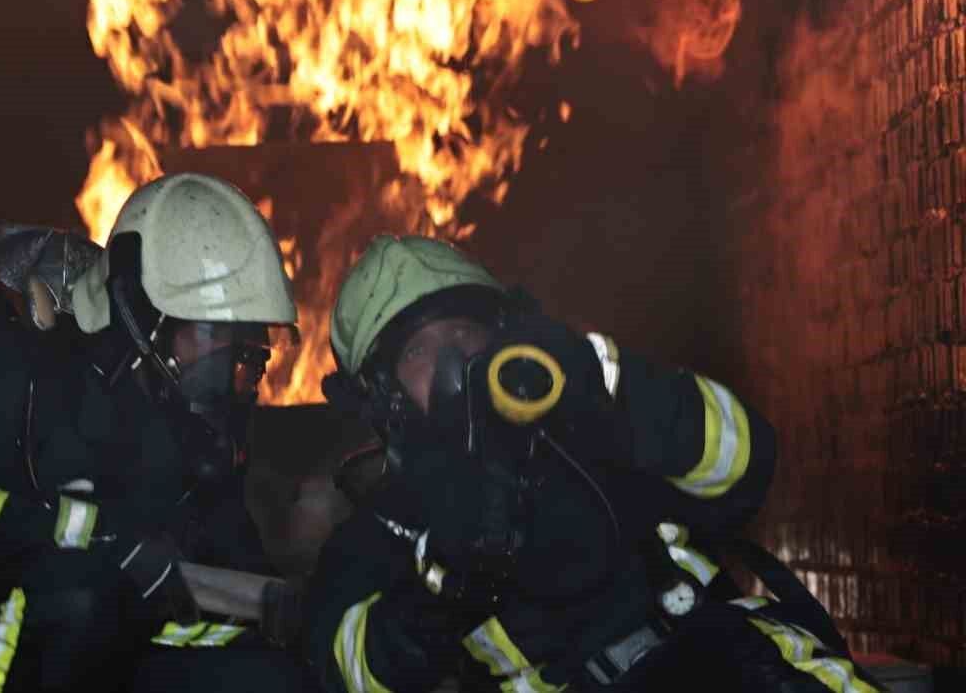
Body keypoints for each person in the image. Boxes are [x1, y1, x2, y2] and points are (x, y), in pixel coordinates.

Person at [307, 235, 879, 692]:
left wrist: (609, 386)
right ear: (382, 394)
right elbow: (352, 673)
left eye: (464, 333)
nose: (455, 364)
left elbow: (747, 464)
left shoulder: (584, 423)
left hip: (731, 661)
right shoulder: (383, 529)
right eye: (419, 352)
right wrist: (441, 583)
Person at [0, 172, 316, 692]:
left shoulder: (189, 443)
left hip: (109, 652)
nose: (228, 376)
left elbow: (224, 587)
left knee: (274, 677)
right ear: (141, 313)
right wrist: (94, 537)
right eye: (212, 340)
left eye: (248, 358)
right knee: (77, 597)